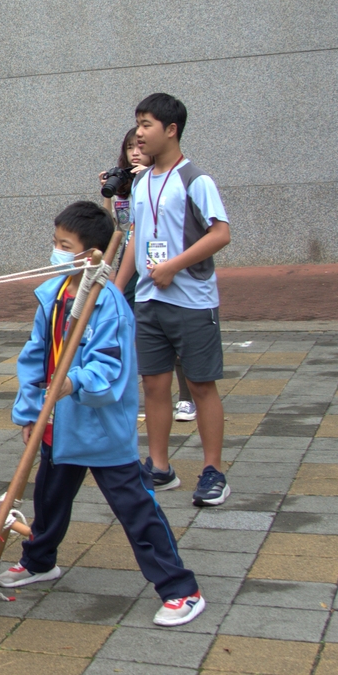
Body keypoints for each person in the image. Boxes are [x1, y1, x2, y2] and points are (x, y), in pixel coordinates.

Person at [0, 202, 206, 627]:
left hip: (101, 428)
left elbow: (109, 367)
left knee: (135, 508)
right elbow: (35, 357)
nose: (56, 252)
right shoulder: (54, 295)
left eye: (64, 245)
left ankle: (180, 588)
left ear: (92, 254)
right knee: (49, 499)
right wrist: (30, 412)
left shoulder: (108, 303)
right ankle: (39, 560)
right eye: (55, 242)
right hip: (58, 425)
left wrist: (73, 383)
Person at [128, 93, 232, 506]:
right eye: (138, 124)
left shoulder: (196, 180)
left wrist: (174, 265)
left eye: (147, 124)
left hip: (192, 300)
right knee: (154, 384)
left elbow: (220, 233)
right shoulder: (141, 181)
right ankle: (159, 466)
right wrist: (116, 287)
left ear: (171, 130)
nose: (139, 133)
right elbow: (135, 238)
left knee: (201, 385)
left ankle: (213, 471)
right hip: (148, 299)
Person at [105, 130, 196, 424]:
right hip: (133, 260)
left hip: (164, 262)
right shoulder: (129, 183)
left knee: (171, 328)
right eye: (129, 147)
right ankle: (129, 392)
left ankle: (186, 396)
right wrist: (110, 192)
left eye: (139, 146)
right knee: (132, 328)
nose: (135, 152)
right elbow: (122, 229)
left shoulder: (168, 180)